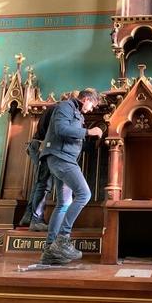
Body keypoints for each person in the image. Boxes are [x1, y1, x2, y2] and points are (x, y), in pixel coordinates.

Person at [39, 88, 103, 265]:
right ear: (86, 99)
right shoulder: (66, 106)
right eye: (92, 105)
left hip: (63, 158)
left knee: (63, 204)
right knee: (84, 194)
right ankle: (63, 239)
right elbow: (61, 129)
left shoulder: (77, 113)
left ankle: (50, 250)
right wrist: (89, 132)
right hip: (61, 159)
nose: (91, 110)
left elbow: (72, 139)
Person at [19, 91, 79, 232]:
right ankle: (36, 219)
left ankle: (29, 217)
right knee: (43, 183)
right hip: (41, 146)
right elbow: (50, 133)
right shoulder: (58, 109)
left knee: (41, 182)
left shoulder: (56, 109)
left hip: (42, 146)